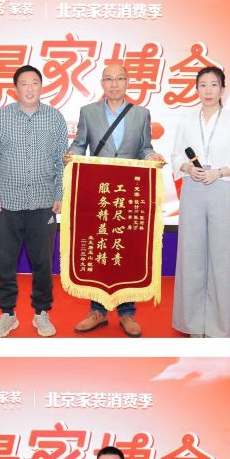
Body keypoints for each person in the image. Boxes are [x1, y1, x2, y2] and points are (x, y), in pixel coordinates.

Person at [65, 61, 165, 337]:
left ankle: (127, 313)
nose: (114, 84)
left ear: (127, 82)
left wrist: (152, 156)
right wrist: (71, 155)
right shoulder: (88, 112)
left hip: (128, 193)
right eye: (108, 79)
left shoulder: (141, 114)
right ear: (102, 83)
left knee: (126, 249)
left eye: (119, 78)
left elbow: (145, 148)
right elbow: (79, 144)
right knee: (99, 248)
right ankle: (97, 311)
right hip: (98, 191)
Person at [0, 64, 66, 338]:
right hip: (6, 203)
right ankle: (7, 313)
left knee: (43, 262)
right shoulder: (1, 117)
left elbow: (62, 160)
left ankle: (42, 312)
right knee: (5, 262)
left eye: (35, 83)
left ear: (41, 86)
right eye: (24, 84)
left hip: (43, 202)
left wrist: (60, 194)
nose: (30, 88)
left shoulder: (55, 118)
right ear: (15, 88)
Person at [170, 65, 230, 337]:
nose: (208, 90)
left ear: (222, 89)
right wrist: (187, 168)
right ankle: (193, 323)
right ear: (196, 89)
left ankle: (218, 326)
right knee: (191, 255)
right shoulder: (186, 121)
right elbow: (175, 156)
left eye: (214, 85)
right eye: (203, 85)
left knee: (221, 256)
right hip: (192, 190)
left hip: (222, 190)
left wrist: (220, 171)